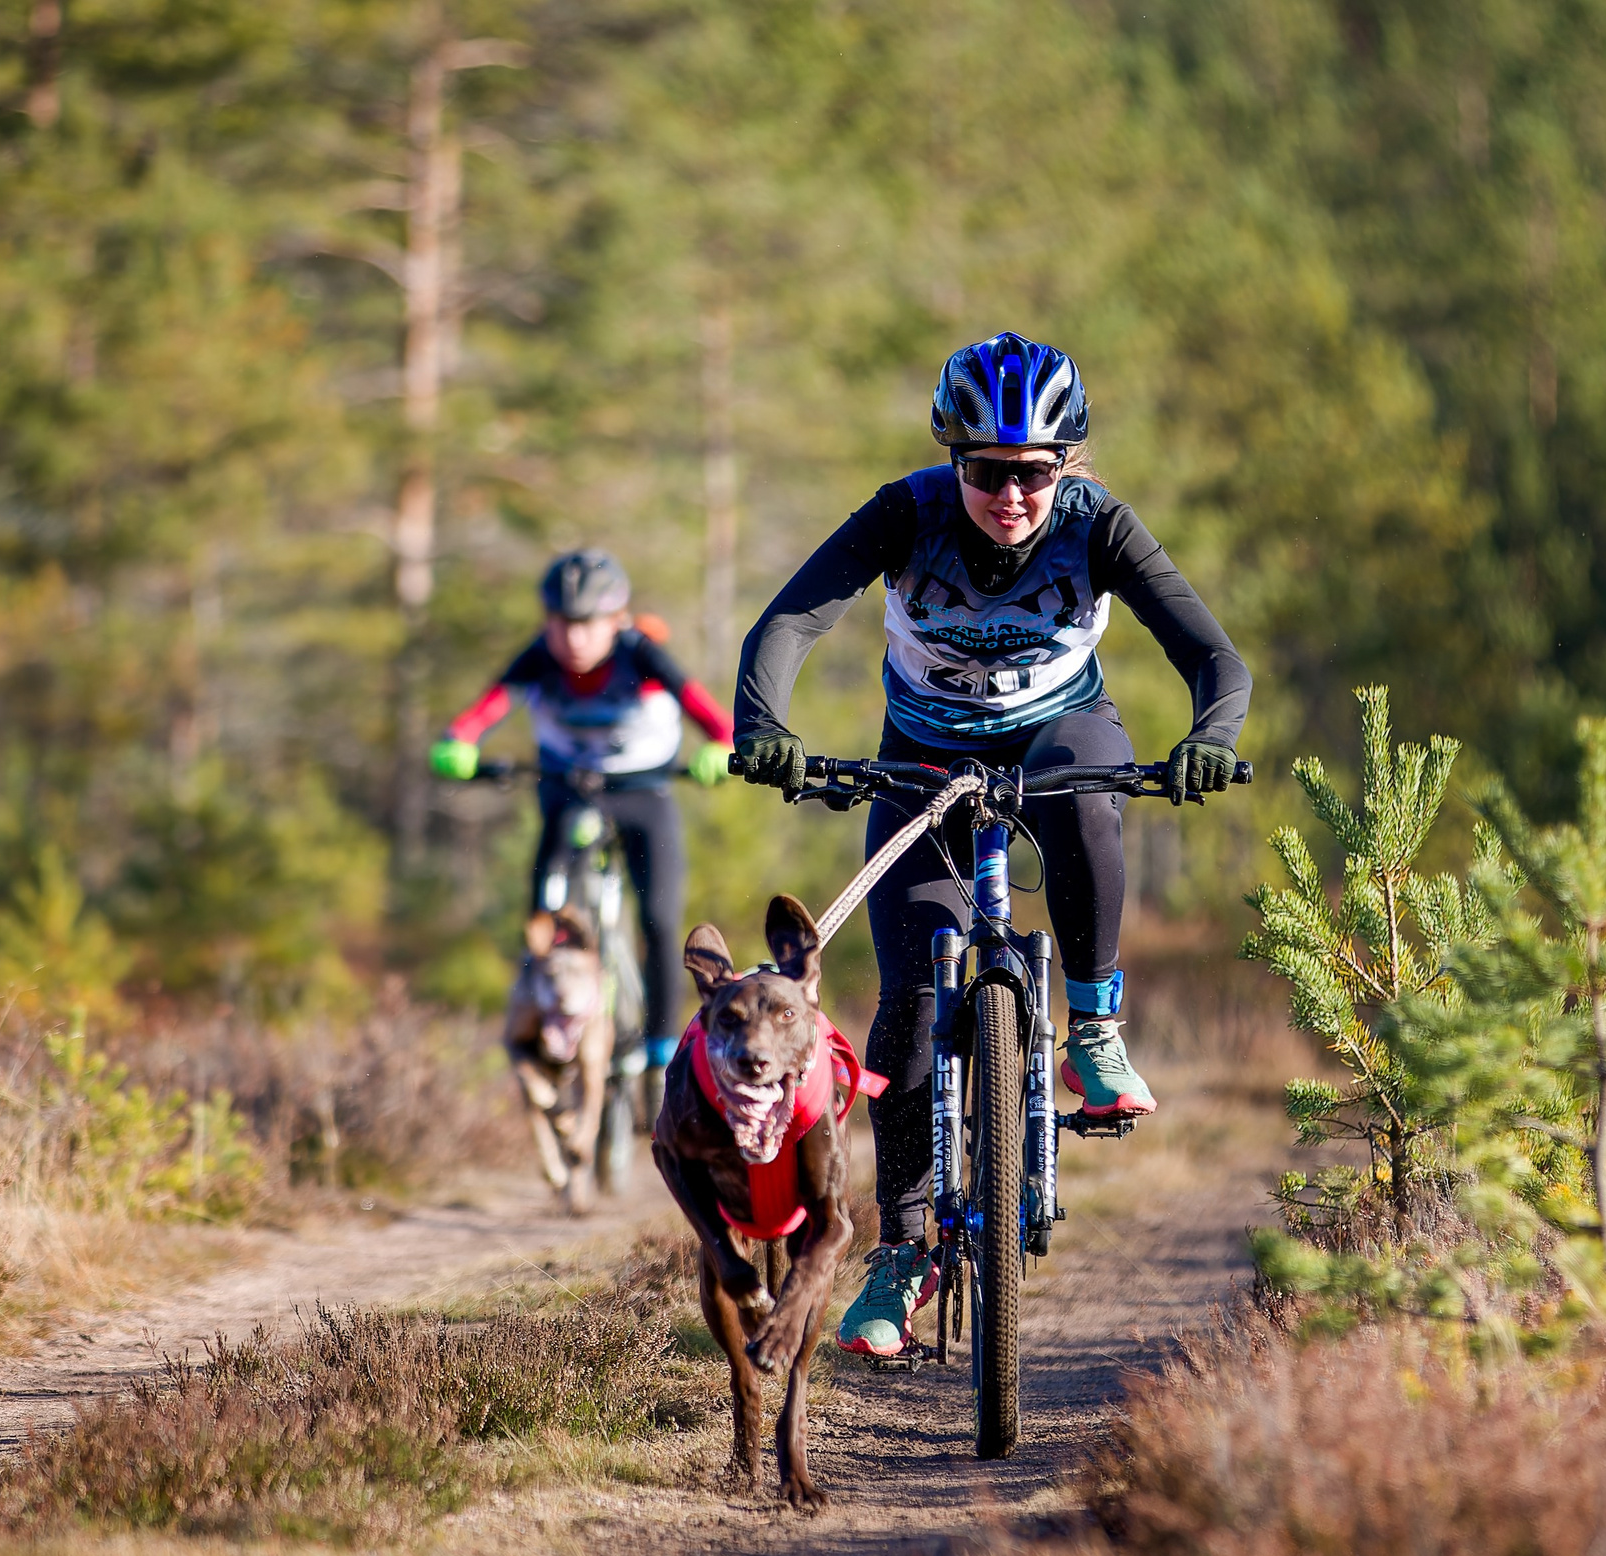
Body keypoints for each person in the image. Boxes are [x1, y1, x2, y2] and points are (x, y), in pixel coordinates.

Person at [731, 332, 1251, 1358]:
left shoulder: (1097, 524)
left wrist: (1210, 739)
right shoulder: (905, 512)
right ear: (951, 459)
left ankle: (1094, 1031)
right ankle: (906, 1248)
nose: (1012, 495)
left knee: (1085, 798)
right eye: (986, 472)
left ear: (1066, 467)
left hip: (1062, 732)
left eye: (1034, 474)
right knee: (912, 1002)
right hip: (919, 756)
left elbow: (1212, 655)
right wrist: (765, 726)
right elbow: (788, 621)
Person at [430, 548, 735, 1070]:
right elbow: (484, 711)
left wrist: (721, 749)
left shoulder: (642, 654)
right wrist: (457, 743)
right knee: (542, 914)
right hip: (567, 786)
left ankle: (663, 1051)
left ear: (615, 621)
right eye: (561, 624)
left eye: (588, 625)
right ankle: (543, 1018)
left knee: (660, 917)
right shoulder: (537, 658)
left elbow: (713, 717)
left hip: (644, 785)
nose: (573, 639)